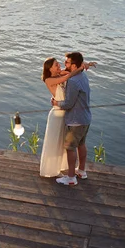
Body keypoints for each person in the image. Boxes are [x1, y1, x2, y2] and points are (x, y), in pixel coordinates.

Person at [39, 57, 93, 177]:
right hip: (57, 114)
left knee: (65, 144)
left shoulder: (61, 73)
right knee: (55, 142)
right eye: (56, 65)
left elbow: (71, 71)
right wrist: (80, 66)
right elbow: (68, 76)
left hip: (67, 113)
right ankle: (52, 169)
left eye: (58, 63)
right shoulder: (49, 80)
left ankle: (64, 167)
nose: (59, 65)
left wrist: (83, 64)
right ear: (50, 68)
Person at [51, 52, 92, 186]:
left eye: (67, 62)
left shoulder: (73, 81)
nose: (64, 64)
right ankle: (81, 171)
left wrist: (56, 103)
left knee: (70, 148)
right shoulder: (83, 76)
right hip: (85, 117)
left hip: (75, 120)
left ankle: (70, 178)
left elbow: (68, 104)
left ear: (74, 66)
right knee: (81, 144)